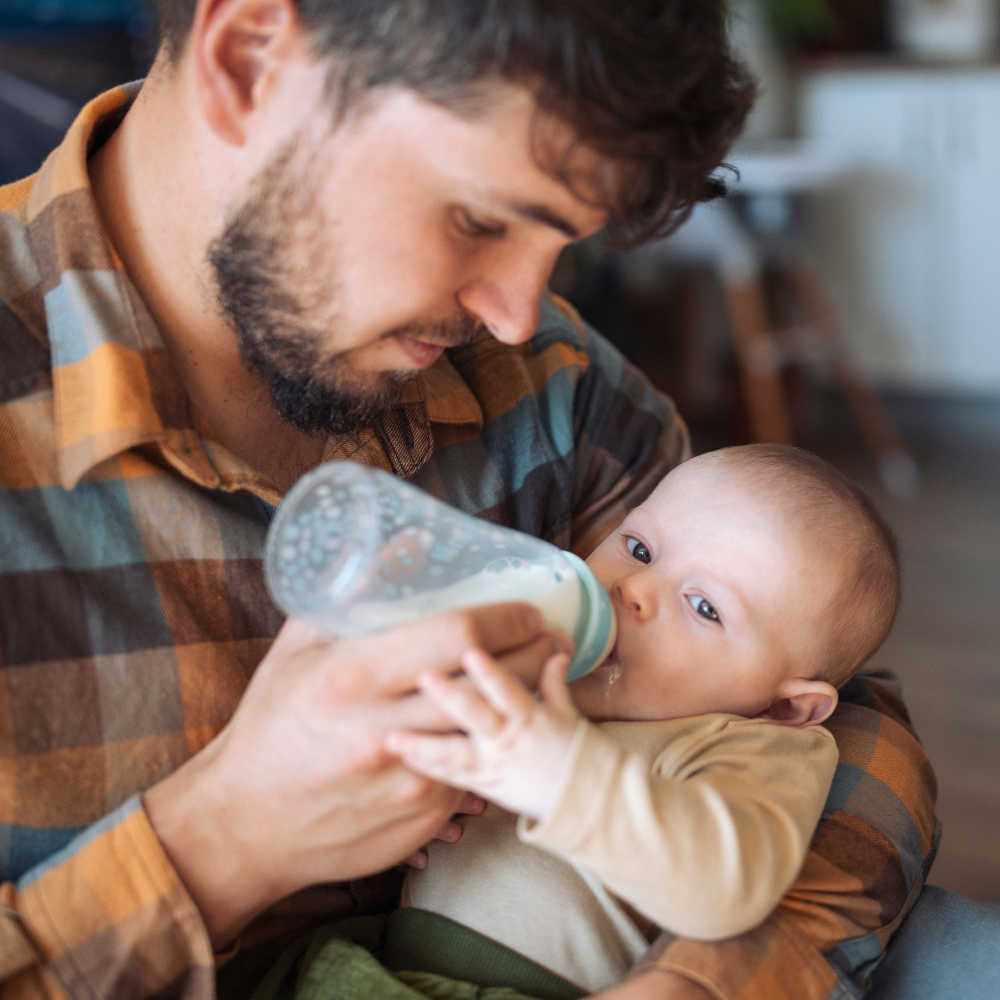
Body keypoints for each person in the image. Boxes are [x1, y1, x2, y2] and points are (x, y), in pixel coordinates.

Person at [0, 2, 936, 999]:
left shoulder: (553, 390)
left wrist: (709, 985)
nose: (516, 312)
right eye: (479, 218)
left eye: (561, 241)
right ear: (249, 59)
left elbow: (836, 725)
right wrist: (222, 843)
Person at [389, 445, 897, 994]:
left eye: (704, 607)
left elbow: (728, 887)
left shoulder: (753, 743)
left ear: (788, 706)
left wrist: (562, 780)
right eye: (639, 548)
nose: (633, 589)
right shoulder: (529, 662)